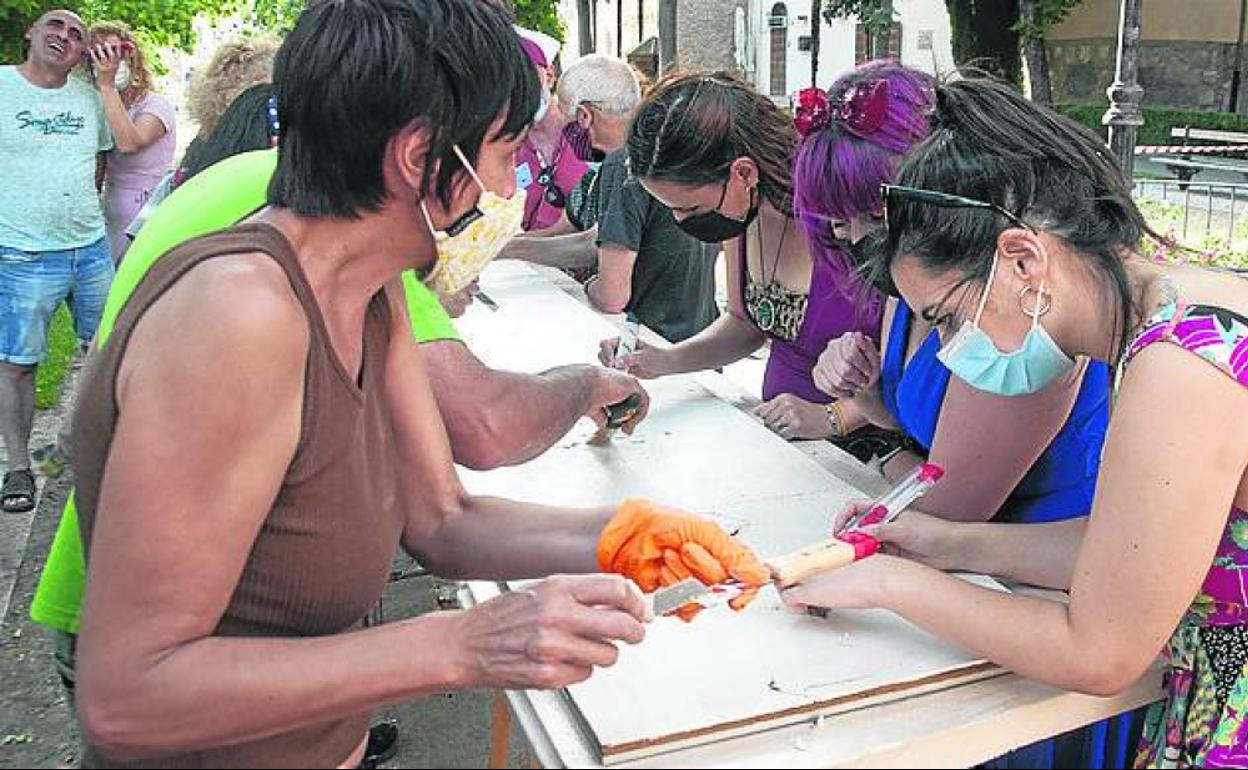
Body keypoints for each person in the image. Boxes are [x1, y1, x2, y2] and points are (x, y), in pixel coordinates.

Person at [70, 3, 767, 766]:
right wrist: (462, 644)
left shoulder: (375, 291)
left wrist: (621, 535)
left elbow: (443, 519)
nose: (506, 187)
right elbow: (129, 695)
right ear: (419, 156)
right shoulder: (239, 317)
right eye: (503, 154)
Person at [779, 76, 1248, 768]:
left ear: (1024, 260)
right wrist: (946, 544)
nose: (948, 349)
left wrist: (891, 585)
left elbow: (1101, 651)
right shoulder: (1172, 311)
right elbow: (1128, 551)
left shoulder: (1180, 364)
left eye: (948, 319)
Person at [603, 71, 893, 460]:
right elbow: (745, 325)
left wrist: (833, 417)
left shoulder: (845, 222)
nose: (680, 221)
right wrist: (664, 359)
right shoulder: (743, 213)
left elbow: (913, 358)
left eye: (690, 208)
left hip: (870, 458)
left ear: (743, 173)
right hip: (791, 450)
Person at [0, 9, 114, 514]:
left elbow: (100, 162)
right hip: (20, 253)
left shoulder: (90, 98)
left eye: (75, 34)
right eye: (55, 26)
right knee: (18, 366)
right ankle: (19, 467)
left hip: (89, 251)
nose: (64, 37)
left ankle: (80, 452)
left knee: (108, 353)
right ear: (30, 32)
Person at [557, 55, 719, 343]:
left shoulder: (623, 164)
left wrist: (588, 284)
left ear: (584, 116)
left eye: (566, 121)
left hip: (648, 342)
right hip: (699, 341)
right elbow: (598, 240)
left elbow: (612, 296)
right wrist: (512, 247)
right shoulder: (675, 149)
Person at [87, 21, 176, 263]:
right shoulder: (103, 105)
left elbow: (129, 142)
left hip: (145, 212)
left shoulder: (155, 105)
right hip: (110, 210)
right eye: (98, 55)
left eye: (114, 53)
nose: (107, 62)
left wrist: (106, 85)